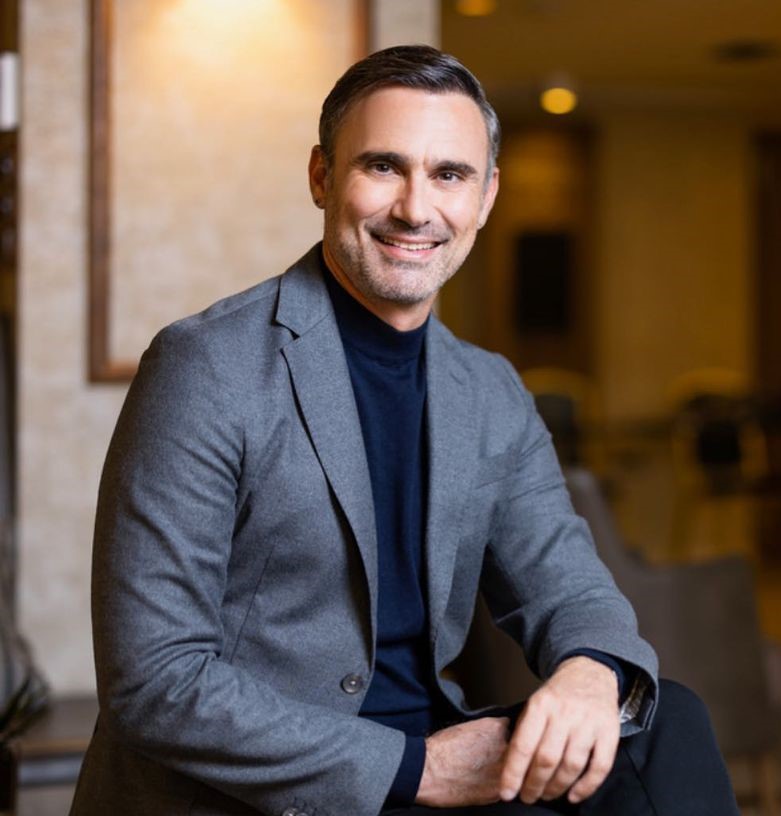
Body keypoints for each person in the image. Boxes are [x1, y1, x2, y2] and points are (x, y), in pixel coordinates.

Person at [70, 45, 738, 816]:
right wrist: (419, 770)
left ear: (486, 197)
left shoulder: (489, 390)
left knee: (662, 721)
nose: (416, 209)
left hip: (432, 763)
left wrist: (591, 671)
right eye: (384, 166)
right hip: (267, 792)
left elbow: (571, 586)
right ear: (322, 176)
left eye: (450, 174)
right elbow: (153, 679)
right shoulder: (206, 367)